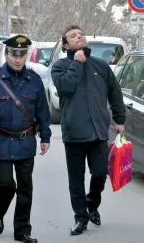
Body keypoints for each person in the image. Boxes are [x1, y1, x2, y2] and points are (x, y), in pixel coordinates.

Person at [0, 35, 51, 243]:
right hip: (0, 141)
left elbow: (43, 112)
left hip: (25, 141)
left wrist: (45, 136)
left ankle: (22, 229)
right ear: (6, 54)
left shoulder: (34, 80)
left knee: (25, 187)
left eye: (22, 55)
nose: (17, 59)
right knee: (6, 183)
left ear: (26, 55)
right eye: (14, 54)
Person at [51, 25, 126, 235]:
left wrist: (120, 119)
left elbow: (115, 93)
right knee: (75, 180)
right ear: (66, 45)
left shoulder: (101, 66)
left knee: (100, 173)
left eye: (81, 34)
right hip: (74, 133)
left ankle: (92, 205)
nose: (79, 37)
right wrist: (76, 64)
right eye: (73, 36)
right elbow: (65, 86)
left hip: (99, 132)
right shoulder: (60, 66)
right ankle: (80, 218)